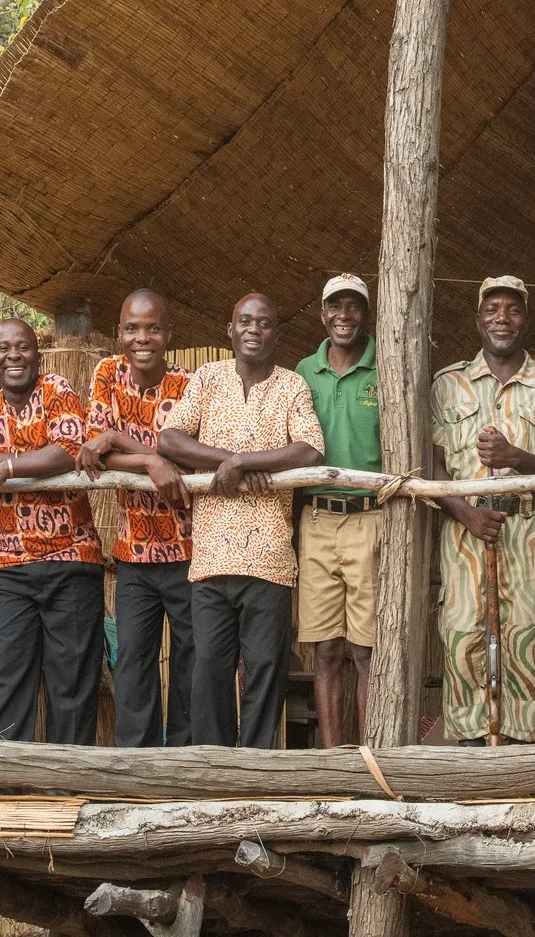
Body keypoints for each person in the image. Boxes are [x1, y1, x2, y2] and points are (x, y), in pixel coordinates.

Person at [158, 292, 325, 749]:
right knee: (209, 665)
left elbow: (309, 448)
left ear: (277, 334)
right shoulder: (208, 379)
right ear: (229, 331)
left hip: (269, 558)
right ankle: (216, 767)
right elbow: (169, 439)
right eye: (245, 322)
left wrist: (244, 461)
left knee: (266, 667)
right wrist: (228, 461)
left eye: (265, 323)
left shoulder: (292, 386)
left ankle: (256, 768)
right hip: (211, 556)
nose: (254, 330)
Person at [0, 318, 102, 745]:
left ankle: (66, 788)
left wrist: (7, 469)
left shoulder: (58, 390)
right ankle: (6, 787)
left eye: (23, 348)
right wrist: (21, 458)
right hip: (8, 565)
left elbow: (70, 450)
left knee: (72, 683)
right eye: (3, 348)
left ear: (38, 352)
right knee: (6, 679)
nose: (14, 356)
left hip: (71, 557)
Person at [430, 275, 535, 745]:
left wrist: (518, 459)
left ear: (525, 320)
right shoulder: (447, 385)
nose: (501, 318)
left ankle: (522, 746)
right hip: (464, 526)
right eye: (492, 309)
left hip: (528, 525)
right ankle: (471, 747)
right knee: (461, 632)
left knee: (527, 634)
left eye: (512, 309)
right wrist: (464, 511)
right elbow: (431, 464)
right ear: (477, 320)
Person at [77, 289, 195, 748]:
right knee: (134, 661)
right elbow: (92, 456)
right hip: (133, 552)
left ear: (169, 334)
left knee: (192, 656)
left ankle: (184, 761)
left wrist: (119, 441)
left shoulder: (191, 384)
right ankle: (137, 765)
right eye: (131, 328)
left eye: (152, 328)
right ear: (119, 333)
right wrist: (150, 461)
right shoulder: (107, 374)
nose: (141, 337)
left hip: (188, 550)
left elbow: (189, 460)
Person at [295, 274, 383, 747]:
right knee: (325, 647)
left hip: (370, 516)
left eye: (354, 306)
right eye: (335, 306)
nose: (344, 315)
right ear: (322, 313)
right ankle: (331, 759)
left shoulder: (384, 369)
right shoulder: (303, 372)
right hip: (316, 518)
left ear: (366, 315)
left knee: (366, 649)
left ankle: (369, 757)